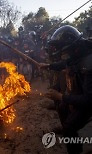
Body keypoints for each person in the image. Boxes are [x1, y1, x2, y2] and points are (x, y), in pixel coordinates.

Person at [40, 25, 92, 154]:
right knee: (62, 107)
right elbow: (67, 62)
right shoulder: (80, 51)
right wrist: (49, 66)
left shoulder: (88, 64)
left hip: (89, 98)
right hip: (85, 92)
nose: (63, 55)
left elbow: (88, 100)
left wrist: (61, 96)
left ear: (72, 48)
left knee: (69, 126)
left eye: (64, 51)